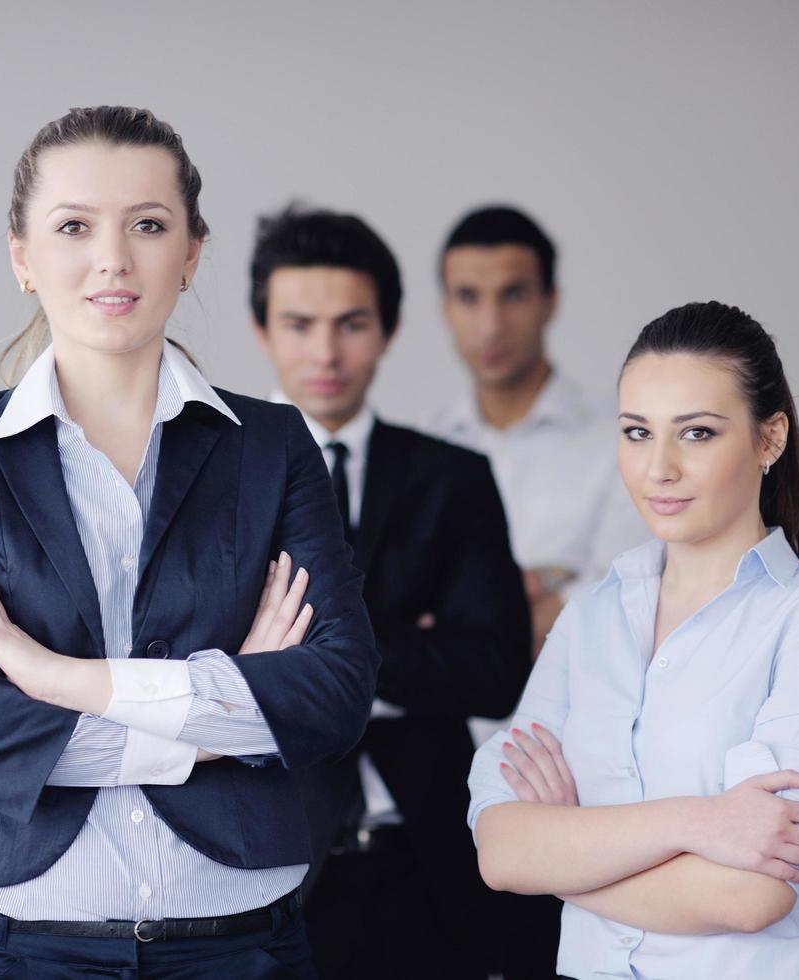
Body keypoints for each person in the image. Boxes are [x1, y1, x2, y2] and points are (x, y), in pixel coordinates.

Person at [0, 106, 378, 979]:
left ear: (191, 254)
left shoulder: (273, 445)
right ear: (22, 257)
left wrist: (63, 684)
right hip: (15, 953)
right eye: (73, 226)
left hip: (242, 951)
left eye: (148, 226)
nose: (112, 259)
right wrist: (216, 722)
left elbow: (334, 692)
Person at [468, 301, 799, 980]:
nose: (658, 469)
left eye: (698, 434)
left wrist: (567, 856)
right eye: (636, 432)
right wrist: (701, 822)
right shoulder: (590, 616)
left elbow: (749, 896)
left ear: (769, 438)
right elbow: (501, 852)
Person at [247, 205, 529, 978]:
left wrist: (313, 655)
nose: (326, 351)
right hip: (269, 870)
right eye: (299, 323)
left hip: (428, 868)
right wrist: (409, 646)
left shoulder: (450, 476)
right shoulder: (217, 481)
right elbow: (206, 674)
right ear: (262, 328)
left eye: (352, 323)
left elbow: (497, 667)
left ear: (390, 329)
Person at [422, 205, 647, 976]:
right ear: (445, 305)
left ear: (549, 300)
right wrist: (544, 583)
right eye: (467, 296)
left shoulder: (617, 442)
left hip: (580, 788)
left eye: (512, 293)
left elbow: (616, 613)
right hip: (444, 789)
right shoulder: (428, 456)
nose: (489, 321)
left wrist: (457, 618)